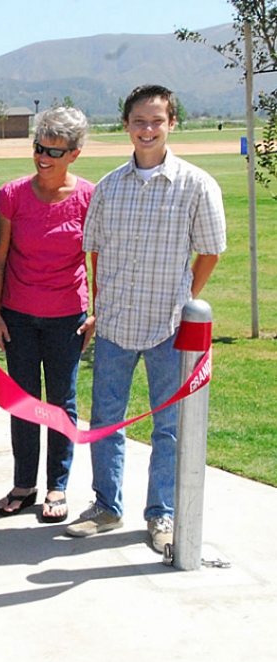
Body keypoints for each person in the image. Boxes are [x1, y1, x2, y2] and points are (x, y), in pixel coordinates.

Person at [66, 85, 226, 553]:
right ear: (126, 126)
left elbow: (210, 253)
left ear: (172, 123)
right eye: (139, 120)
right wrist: (99, 308)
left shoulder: (196, 185)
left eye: (157, 120)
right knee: (106, 420)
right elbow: (95, 253)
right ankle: (106, 506)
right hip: (115, 327)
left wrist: (185, 299)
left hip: (169, 330)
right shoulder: (110, 187)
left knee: (169, 427)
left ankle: (163, 515)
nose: (148, 129)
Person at [0, 107, 96, 523]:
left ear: (75, 154)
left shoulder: (89, 197)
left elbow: (96, 260)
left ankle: (58, 485)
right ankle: (24, 483)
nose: (43, 157)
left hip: (68, 317)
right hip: (18, 315)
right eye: (39, 148)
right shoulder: (13, 195)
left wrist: (95, 313)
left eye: (54, 150)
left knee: (61, 403)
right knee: (24, 401)